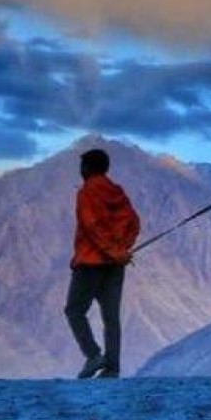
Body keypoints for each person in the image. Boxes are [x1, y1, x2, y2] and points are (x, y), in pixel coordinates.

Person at [65, 148, 141, 379]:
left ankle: (93, 355)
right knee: (111, 317)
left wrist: (111, 252)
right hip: (115, 266)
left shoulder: (87, 192)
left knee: (74, 311)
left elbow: (92, 226)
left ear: (87, 168)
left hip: (90, 263)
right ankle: (112, 368)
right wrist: (121, 251)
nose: (80, 171)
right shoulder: (117, 192)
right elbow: (134, 223)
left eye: (82, 166)